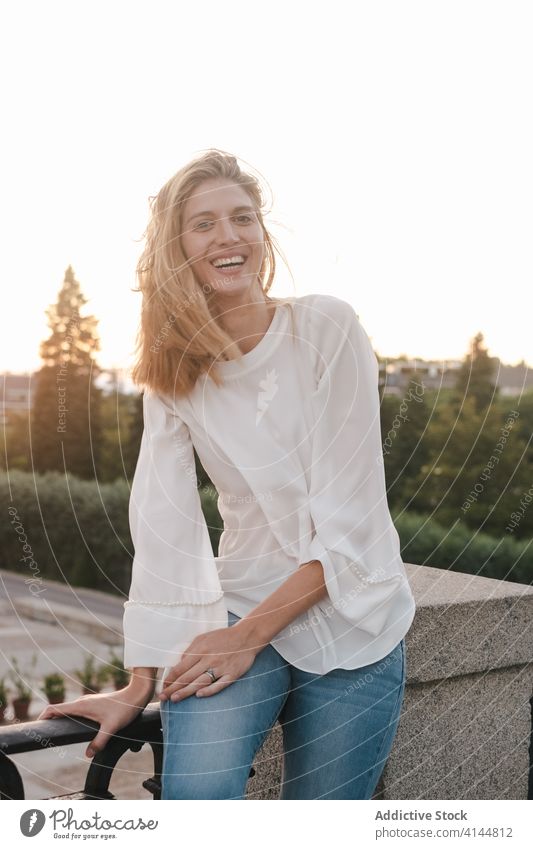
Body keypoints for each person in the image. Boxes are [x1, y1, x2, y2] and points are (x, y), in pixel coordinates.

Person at [38, 148, 416, 800]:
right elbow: (163, 526)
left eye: (242, 217)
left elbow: (349, 524)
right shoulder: (173, 377)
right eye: (204, 223)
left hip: (357, 617)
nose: (229, 235)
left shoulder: (327, 327)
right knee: (195, 799)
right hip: (240, 597)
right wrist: (139, 681)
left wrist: (244, 639)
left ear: (261, 233)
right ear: (177, 247)